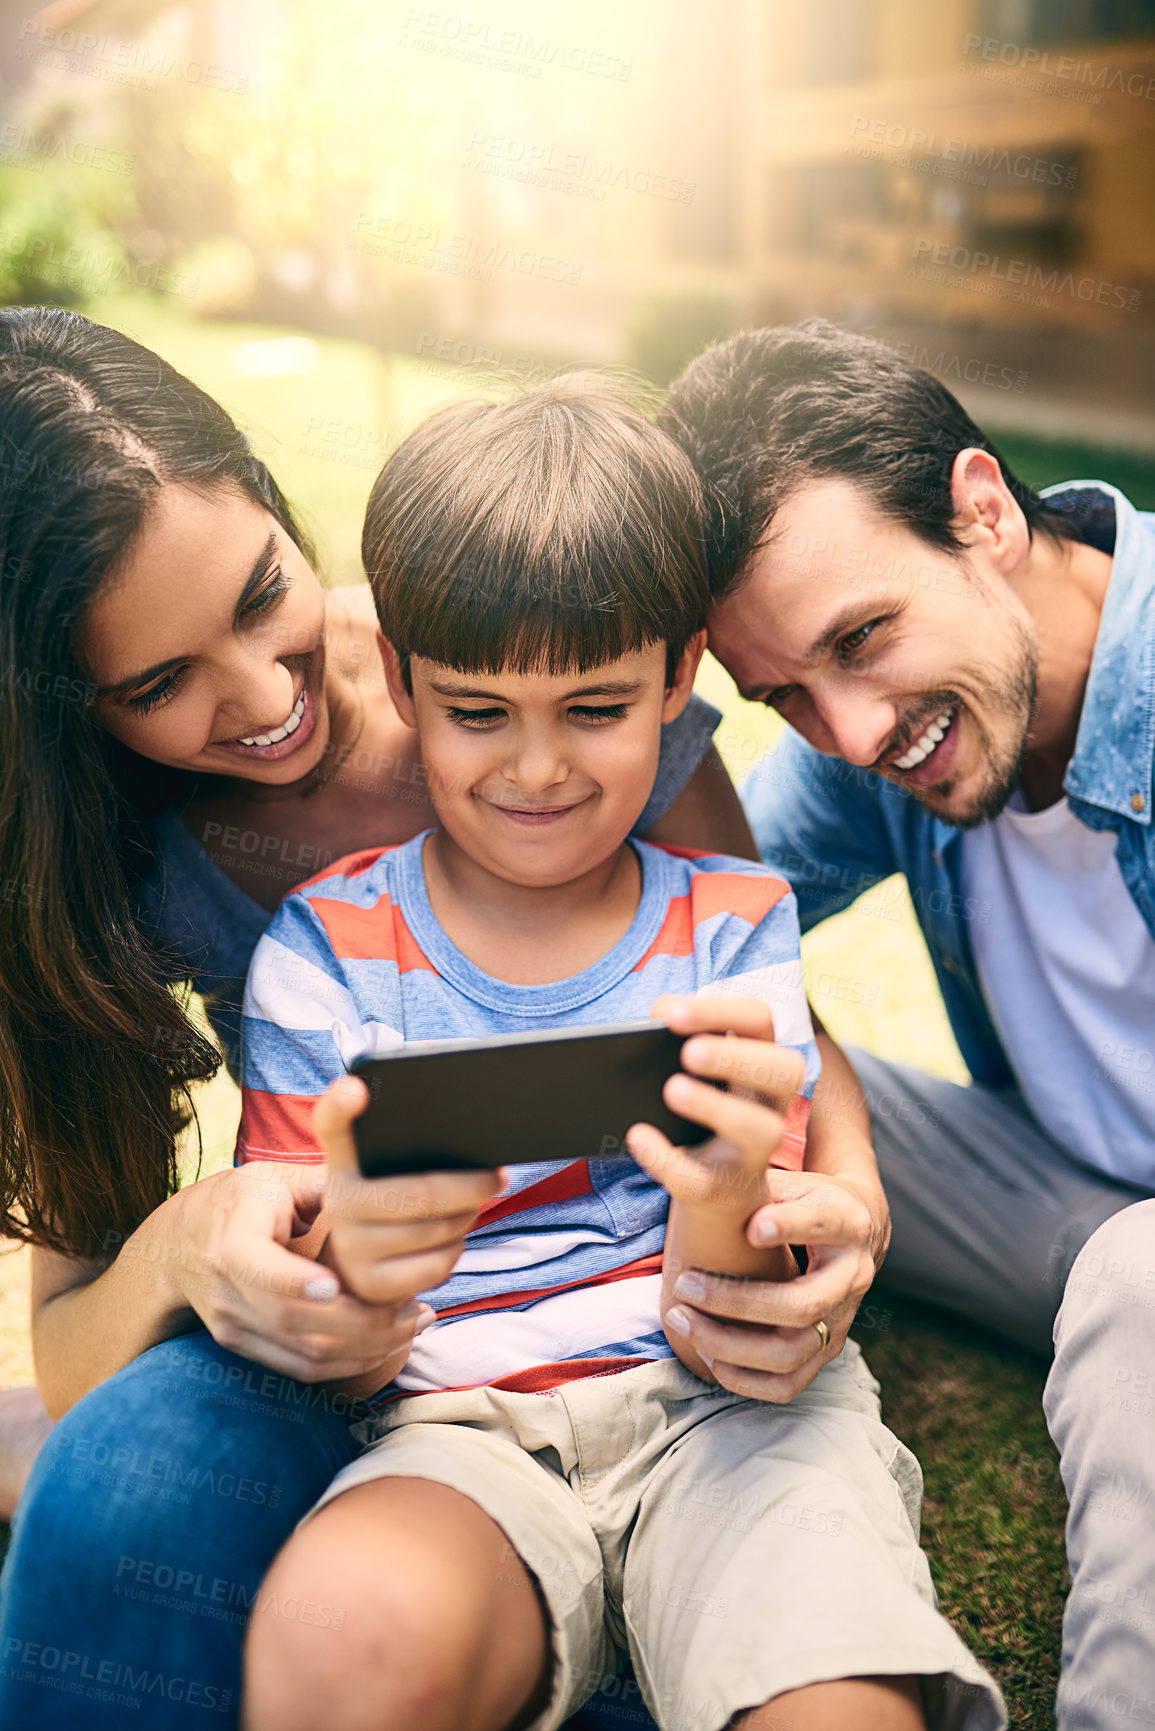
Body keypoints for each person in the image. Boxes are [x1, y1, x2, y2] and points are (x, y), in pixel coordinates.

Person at [0, 311, 883, 1726]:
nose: (265, 696)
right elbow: (76, 1347)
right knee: (119, 1487)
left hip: (652, 1342)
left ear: (278, 510)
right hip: (368, 1341)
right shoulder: (100, 873)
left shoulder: (521, 643)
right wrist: (190, 1245)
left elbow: (762, 1009)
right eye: (159, 684)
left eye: (256, 595)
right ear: (67, 715)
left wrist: (849, 1201)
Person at [235, 376, 1003, 1731]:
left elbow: (747, 1309)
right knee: (339, 1645)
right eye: (480, 712)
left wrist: (723, 1194)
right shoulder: (324, 951)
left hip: (734, 1420)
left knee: (840, 1708)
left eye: (595, 709)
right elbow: (333, 1345)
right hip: (455, 1434)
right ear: (403, 681)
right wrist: (363, 1266)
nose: (538, 771)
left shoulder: (731, 926)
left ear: (677, 685)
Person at [660, 319, 1155, 1729]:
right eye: (786, 698)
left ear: (983, 511)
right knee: (704, 1077)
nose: (856, 731)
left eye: (861, 642)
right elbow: (695, 927)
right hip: (1065, 1187)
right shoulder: (893, 729)